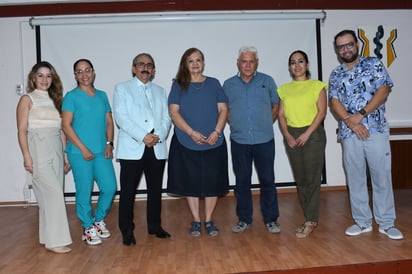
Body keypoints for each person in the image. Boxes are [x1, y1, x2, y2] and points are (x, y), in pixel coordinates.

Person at [328, 29, 403, 240]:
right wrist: (351, 123)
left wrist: (360, 115)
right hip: (350, 134)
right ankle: (362, 222)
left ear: (357, 45)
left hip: (375, 129)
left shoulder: (373, 64)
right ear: (337, 50)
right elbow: (334, 101)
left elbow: (383, 90)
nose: (346, 49)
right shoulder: (336, 74)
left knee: (381, 177)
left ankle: (387, 223)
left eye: (349, 44)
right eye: (341, 46)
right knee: (355, 178)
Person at [167, 47, 229, 237]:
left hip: (213, 142)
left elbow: (223, 110)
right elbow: (173, 112)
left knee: (212, 184)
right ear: (185, 64)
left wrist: (217, 132)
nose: (195, 64)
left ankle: (209, 220)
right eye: (191, 60)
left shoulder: (214, 83)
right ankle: (196, 220)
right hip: (186, 142)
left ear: (203, 62)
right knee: (191, 183)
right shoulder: (178, 85)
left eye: (198, 60)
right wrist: (191, 133)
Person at [113, 53, 172, 246]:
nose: (145, 68)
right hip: (133, 147)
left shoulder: (160, 90)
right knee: (128, 192)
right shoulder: (122, 88)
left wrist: (158, 136)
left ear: (153, 70)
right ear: (133, 68)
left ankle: (155, 226)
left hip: (156, 146)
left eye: (149, 65)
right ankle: (127, 231)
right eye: (141, 64)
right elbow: (122, 117)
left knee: (155, 190)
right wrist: (143, 136)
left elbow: (166, 118)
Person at [223, 46, 280, 234]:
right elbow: (224, 110)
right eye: (244, 61)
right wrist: (234, 124)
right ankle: (244, 219)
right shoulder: (228, 84)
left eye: (251, 61)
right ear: (238, 63)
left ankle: (271, 219)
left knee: (267, 180)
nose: (248, 65)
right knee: (242, 181)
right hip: (239, 140)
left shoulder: (267, 81)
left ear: (257, 63)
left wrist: (266, 122)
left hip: (264, 139)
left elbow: (276, 104)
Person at [16, 61, 72, 253]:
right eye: (40, 75)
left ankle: (46, 237)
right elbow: (21, 130)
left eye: (48, 76)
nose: (44, 79)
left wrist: (65, 155)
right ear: (33, 78)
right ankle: (56, 241)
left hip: (56, 147)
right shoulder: (27, 99)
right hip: (37, 148)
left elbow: (62, 130)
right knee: (53, 195)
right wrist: (26, 157)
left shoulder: (57, 100)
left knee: (51, 196)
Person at [62, 58, 117, 245]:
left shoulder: (102, 95)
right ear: (75, 75)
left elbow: (109, 121)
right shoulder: (71, 96)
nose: (84, 74)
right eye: (79, 71)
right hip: (79, 153)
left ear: (93, 72)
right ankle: (87, 227)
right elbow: (66, 126)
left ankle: (98, 220)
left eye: (87, 70)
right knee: (84, 191)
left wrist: (109, 143)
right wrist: (83, 148)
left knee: (109, 187)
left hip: (102, 151)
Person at [277, 50, 327, 238]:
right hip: (292, 134)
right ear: (290, 67)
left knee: (313, 179)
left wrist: (307, 134)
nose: (297, 65)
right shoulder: (284, 89)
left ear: (307, 64)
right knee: (301, 180)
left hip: (312, 134)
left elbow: (321, 112)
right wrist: (288, 135)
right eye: (293, 62)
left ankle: (311, 220)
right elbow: (281, 115)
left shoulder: (318, 85)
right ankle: (309, 217)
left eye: (300, 61)